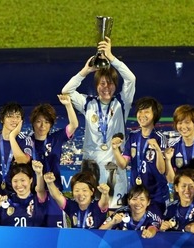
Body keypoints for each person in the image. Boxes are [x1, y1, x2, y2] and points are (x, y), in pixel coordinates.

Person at [62, 37, 136, 209]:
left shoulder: (122, 103)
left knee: (115, 211)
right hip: (91, 165)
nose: (106, 87)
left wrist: (111, 57)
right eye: (102, 84)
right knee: (91, 211)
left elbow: (131, 79)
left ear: (115, 86)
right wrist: (85, 70)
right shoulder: (88, 103)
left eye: (110, 83)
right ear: (96, 86)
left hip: (113, 166)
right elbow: (66, 91)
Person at [111, 96, 169, 213]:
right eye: (140, 111)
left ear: (155, 115)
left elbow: (162, 170)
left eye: (146, 111)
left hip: (156, 196)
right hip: (137, 195)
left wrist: (157, 149)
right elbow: (122, 164)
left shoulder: (160, 138)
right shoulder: (132, 136)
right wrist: (115, 149)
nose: (142, 115)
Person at [29, 94, 78, 227]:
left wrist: (68, 105)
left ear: (51, 124)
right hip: (33, 194)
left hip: (54, 193)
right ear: (33, 123)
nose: (42, 125)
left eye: (46, 121)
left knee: (56, 234)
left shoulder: (56, 138)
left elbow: (74, 125)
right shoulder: (26, 142)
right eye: (38, 121)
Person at [0, 161, 47, 226]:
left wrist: (39, 174)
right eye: (15, 181)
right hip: (8, 239)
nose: (19, 185)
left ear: (31, 180)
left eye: (23, 180)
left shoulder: (38, 200)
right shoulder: (5, 201)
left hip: (35, 239)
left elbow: (40, 190)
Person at [160, 156, 194, 232]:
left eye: (191, 186)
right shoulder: (171, 208)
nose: (187, 190)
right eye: (183, 186)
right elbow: (164, 230)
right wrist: (163, 227)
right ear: (176, 188)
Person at [164, 104, 194, 186]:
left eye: (187, 122)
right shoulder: (172, 146)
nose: (183, 126)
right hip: (182, 194)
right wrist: (167, 161)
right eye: (180, 123)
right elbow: (171, 180)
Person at [44, 171, 110, 229]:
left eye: (84, 190)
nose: (80, 194)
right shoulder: (71, 205)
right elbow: (57, 196)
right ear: (72, 192)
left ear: (92, 191)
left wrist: (105, 193)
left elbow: (104, 202)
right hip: (76, 241)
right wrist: (50, 183)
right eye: (77, 190)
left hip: (96, 241)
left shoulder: (97, 206)